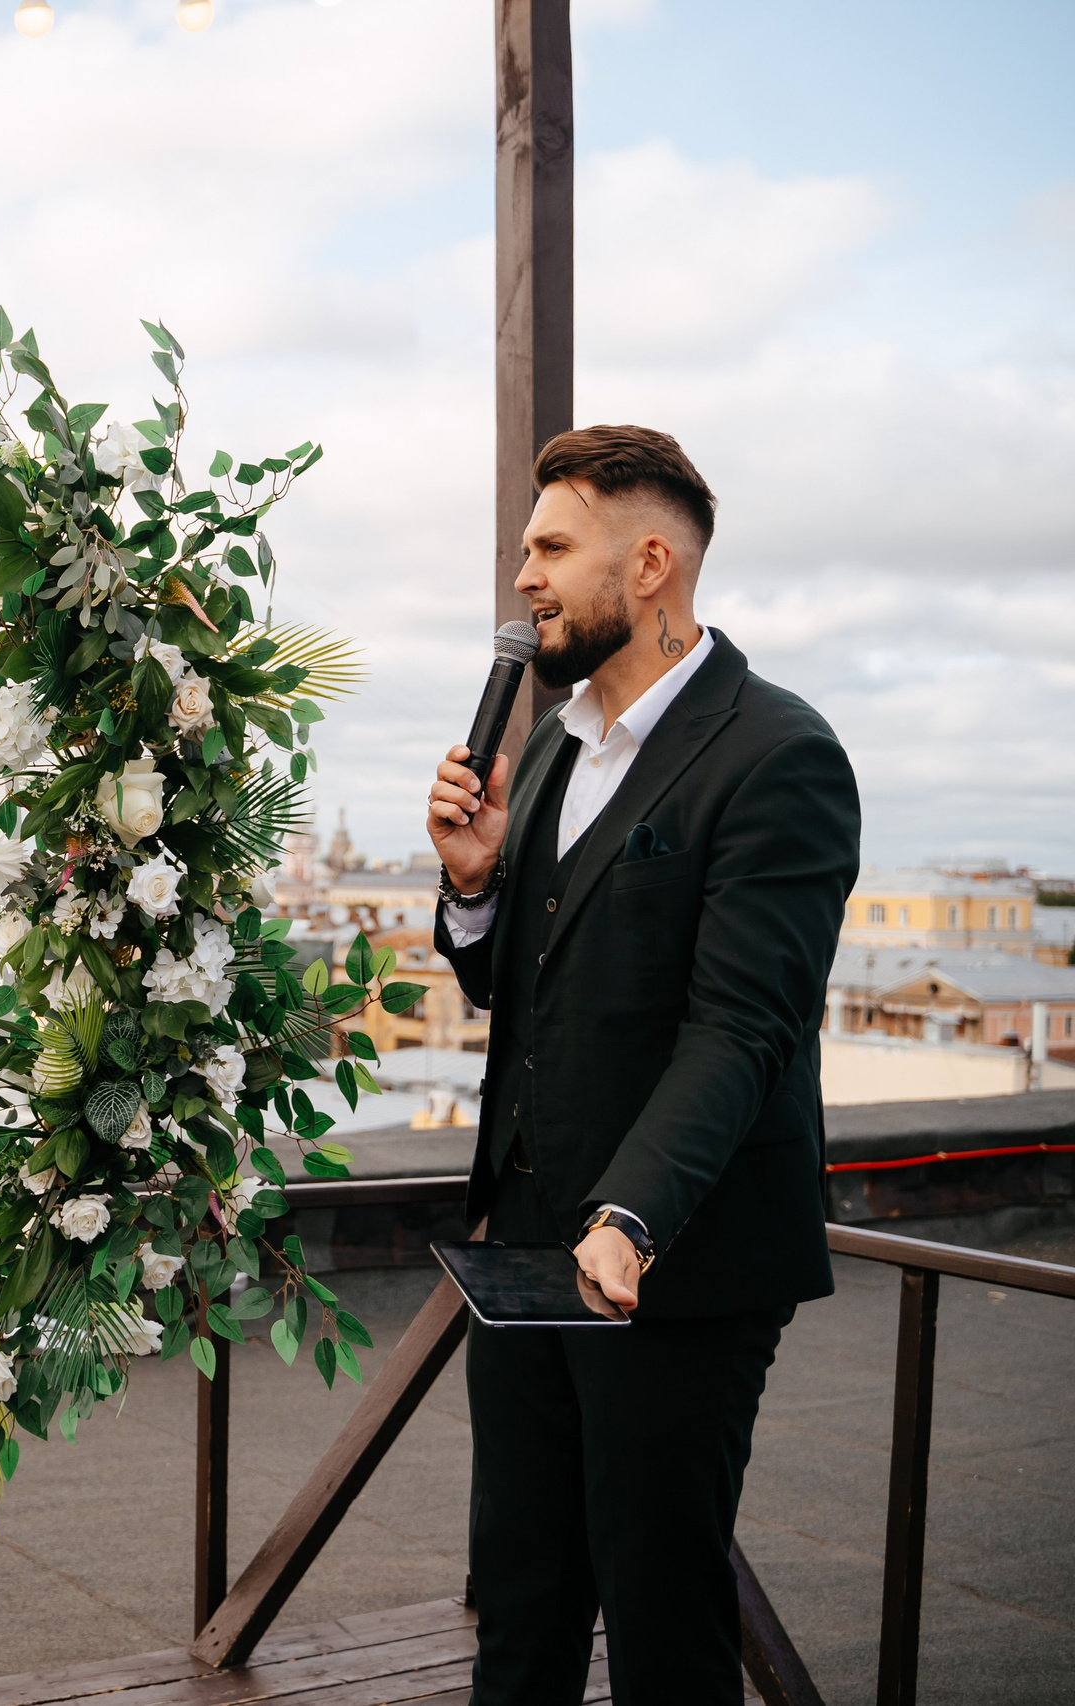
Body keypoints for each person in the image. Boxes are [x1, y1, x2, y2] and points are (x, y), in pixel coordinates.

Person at [424, 425, 861, 1703]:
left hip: (677, 1258)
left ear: (652, 563)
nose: (524, 577)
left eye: (552, 547)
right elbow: (533, 999)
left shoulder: (777, 753)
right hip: (525, 1251)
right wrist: (472, 895)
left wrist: (629, 1215)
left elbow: (743, 1023)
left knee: (664, 1619)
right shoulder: (555, 742)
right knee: (520, 1599)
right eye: (523, 550)